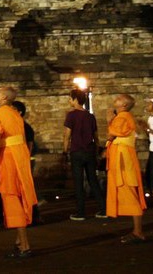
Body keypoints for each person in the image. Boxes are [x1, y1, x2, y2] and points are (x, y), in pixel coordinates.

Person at [0, 87, 37, 258]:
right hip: (21, 156)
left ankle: (24, 245)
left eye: (0, 91)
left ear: (5, 97)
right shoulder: (16, 114)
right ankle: (19, 241)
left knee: (12, 198)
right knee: (21, 196)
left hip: (8, 157)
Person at [105, 93, 147, 243]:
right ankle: (137, 231)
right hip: (121, 157)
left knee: (129, 190)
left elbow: (113, 133)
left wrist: (109, 120)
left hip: (123, 160)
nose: (115, 99)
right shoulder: (123, 116)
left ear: (124, 105)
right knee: (128, 191)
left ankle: (138, 232)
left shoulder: (123, 117)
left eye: (118, 98)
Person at [63, 88, 106, 220]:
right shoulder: (90, 116)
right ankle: (103, 209)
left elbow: (67, 135)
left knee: (78, 182)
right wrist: (97, 151)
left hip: (77, 151)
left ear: (75, 100)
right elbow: (96, 136)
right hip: (90, 151)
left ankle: (81, 212)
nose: (69, 101)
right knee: (93, 180)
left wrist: (65, 151)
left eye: (70, 98)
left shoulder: (71, 115)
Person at [13, 100, 43, 225]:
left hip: (24, 162)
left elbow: (29, 146)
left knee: (27, 190)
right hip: (17, 160)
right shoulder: (15, 125)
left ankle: (33, 216)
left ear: (19, 112)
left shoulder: (25, 127)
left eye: (13, 110)